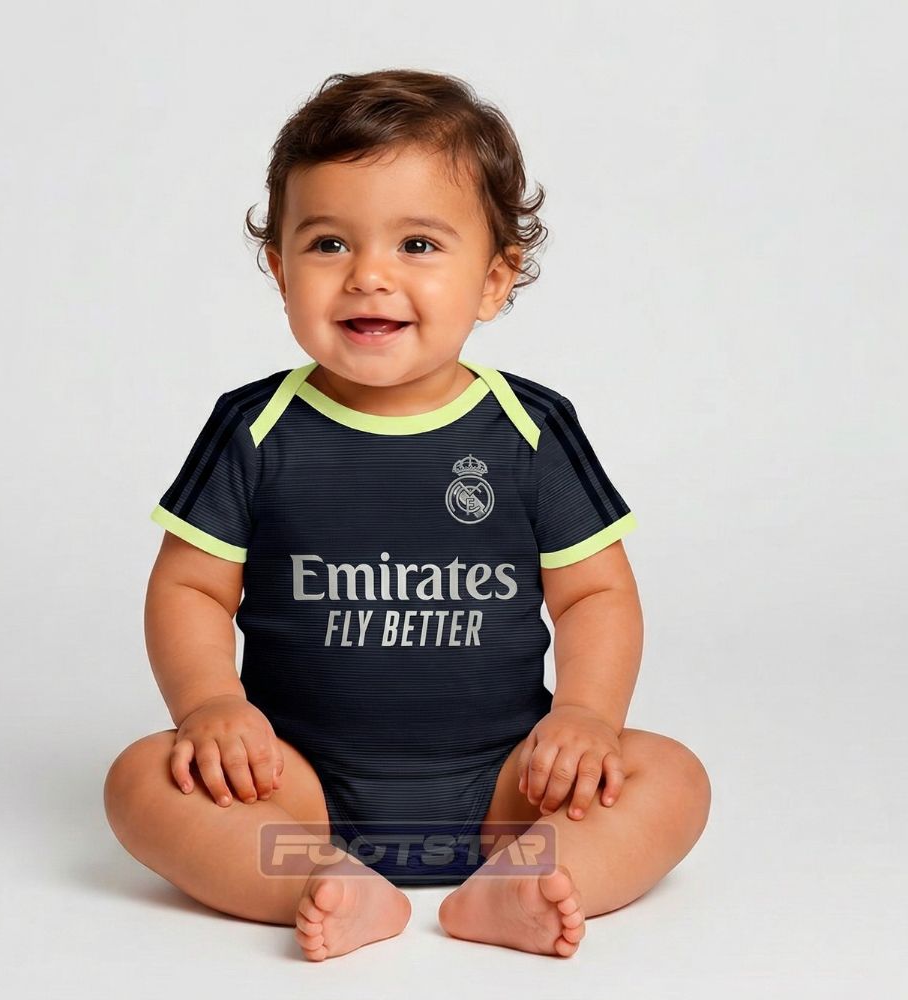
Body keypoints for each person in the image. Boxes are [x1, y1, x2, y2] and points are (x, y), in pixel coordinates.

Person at [103, 68, 711, 962]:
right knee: (140, 781)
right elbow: (191, 587)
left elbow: (595, 595)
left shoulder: (529, 429)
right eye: (328, 244)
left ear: (495, 279)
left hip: (509, 787)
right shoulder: (255, 427)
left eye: (418, 244)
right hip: (292, 786)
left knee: (672, 777)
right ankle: (318, 880)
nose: (369, 277)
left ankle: (524, 881)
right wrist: (212, 706)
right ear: (280, 270)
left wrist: (584, 716)